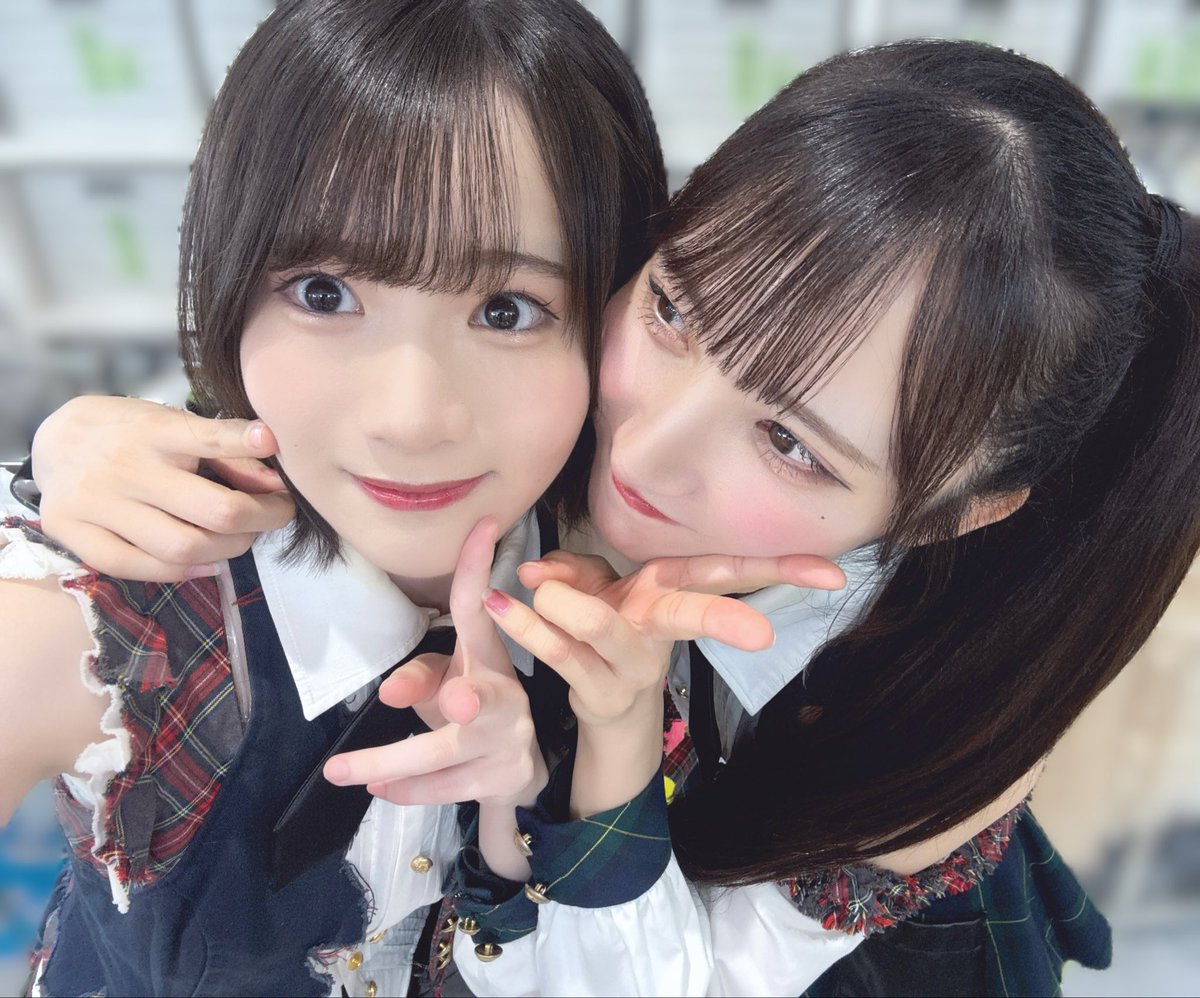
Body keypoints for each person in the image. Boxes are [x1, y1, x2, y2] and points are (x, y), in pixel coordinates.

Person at [21, 38, 1200, 996]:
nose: (644, 449)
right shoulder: (540, 382)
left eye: (790, 441)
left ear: (950, 514)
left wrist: (613, 750)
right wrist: (64, 458)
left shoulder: (941, 705)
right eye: (678, 310)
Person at [0, 0, 732, 994]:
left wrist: (564, 784)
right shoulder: (119, 625)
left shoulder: (628, 592)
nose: (411, 417)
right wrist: (43, 460)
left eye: (506, 309)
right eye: (324, 293)